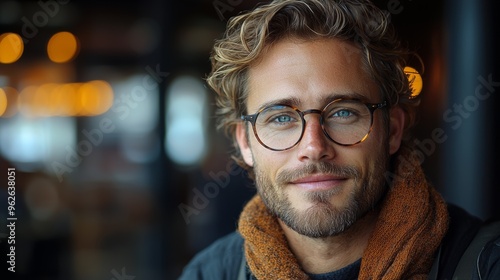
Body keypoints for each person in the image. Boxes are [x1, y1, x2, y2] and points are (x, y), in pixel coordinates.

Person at [179, 0, 500, 279]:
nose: (314, 147)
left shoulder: (486, 264)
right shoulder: (208, 273)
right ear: (245, 142)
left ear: (393, 129)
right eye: (280, 118)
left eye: (344, 113)